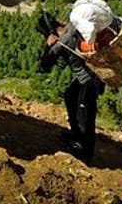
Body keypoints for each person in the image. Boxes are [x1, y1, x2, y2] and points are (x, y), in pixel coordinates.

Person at [36, 11, 106, 162]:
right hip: (93, 76)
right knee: (70, 96)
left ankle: (86, 151)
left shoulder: (61, 43)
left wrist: (48, 46)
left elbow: (44, 67)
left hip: (88, 81)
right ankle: (76, 134)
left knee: (85, 114)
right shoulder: (72, 26)